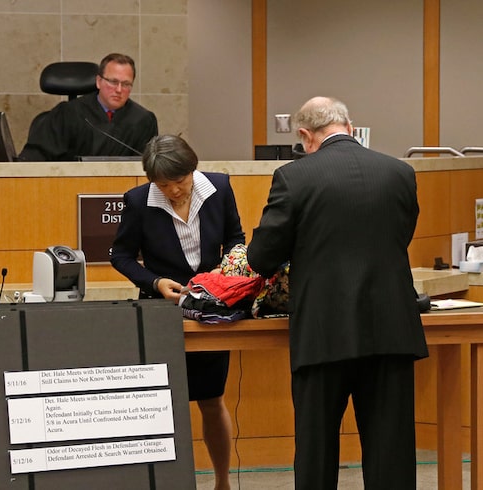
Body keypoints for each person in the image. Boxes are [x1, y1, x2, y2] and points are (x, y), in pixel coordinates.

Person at [246, 96, 428, 490]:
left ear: (305, 136)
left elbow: (262, 258)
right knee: (391, 451)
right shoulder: (400, 172)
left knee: (316, 450)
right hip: (390, 328)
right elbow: (402, 235)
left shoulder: (294, 177)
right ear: (349, 125)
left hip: (323, 332)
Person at [111, 134, 243, 490]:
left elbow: (235, 238)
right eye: (163, 184)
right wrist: (155, 283)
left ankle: (222, 481)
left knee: (212, 399)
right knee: (161, 403)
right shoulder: (138, 201)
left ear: (192, 170)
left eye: (180, 182)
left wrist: (226, 268)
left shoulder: (218, 187)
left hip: (211, 307)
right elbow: (120, 255)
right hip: (162, 311)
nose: (172, 191)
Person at [19, 52, 159, 161]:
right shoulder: (67, 113)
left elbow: (149, 170)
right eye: (113, 82)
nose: (119, 89)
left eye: (126, 84)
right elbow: (34, 158)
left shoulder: (143, 120)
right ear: (98, 82)